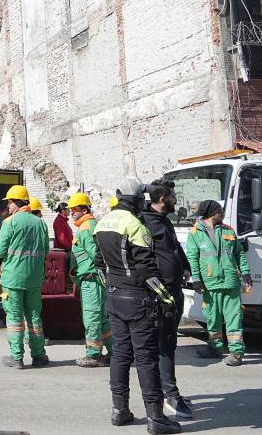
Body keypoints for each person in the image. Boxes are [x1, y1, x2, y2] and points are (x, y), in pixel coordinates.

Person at [93, 177, 180, 434]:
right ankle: (156, 418)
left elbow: (99, 266)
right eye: (142, 196)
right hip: (138, 300)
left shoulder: (103, 222)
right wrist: (168, 300)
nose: (145, 199)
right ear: (136, 199)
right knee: (146, 358)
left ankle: (119, 410)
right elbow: (148, 271)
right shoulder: (135, 225)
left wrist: (112, 287)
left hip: (114, 297)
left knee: (120, 354)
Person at [142, 180, 192, 419]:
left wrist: (185, 266)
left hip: (175, 289)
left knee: (169, 342)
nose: (175, 200)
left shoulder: (164, 221)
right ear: (162, 198)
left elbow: (174, 249)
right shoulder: (145, 222)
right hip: (160, 293)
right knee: (164, 343)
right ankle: (169, 395)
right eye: (172, 196)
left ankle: (167, 391)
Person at [185, 200, 251, 367]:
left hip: (231, 282)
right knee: (212, 317)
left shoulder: (228, 231)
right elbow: (192, 257)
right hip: (210, 282)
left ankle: (236, 352)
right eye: (219, 210)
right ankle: (215, 348)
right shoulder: (195, 233)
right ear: (211, 214)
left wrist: (246, 272)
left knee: (234, 317)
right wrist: (196, 279)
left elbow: (239, 254)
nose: (222, 213)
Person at [0, 184, 50, 369]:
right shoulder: (40, 223)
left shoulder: (9, 223)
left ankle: (17, 358)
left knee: (15, 318)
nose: (8, 206)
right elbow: (46, 250)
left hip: (13, 279)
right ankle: (39, 356)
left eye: (9, 202)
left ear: (17, 202)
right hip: (34, 279)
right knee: (34, 317)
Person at [68, 191, 112, 368]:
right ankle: (115, 350)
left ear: (84, 209)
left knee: (92, 316)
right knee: (102, 318)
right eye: (71, 210)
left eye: (75, 209)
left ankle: (94, 355)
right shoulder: (89, 225)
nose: (72, 213)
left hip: (91, 279)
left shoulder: (86, 228)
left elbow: (95, 254)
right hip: (94, 279)